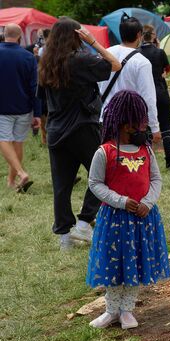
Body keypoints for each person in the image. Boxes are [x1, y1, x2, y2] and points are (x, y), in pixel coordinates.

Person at [87, 90, 170, 329]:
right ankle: (111, 310)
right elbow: (95, 183)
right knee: (115, 264)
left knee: (135, 262)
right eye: (138, 122)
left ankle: (127, 310)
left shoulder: (146, 150)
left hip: (142, 218)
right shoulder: (105, 152)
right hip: (114, 219)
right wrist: (121, 201)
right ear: (125, 125)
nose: (143, 127)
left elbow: (156, 179)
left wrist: (148, 202)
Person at [39, 17, 121, 251]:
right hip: (82, 127)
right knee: (105, 173)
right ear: (77, 35)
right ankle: (85, 223)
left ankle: (65, 236)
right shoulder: (81, 60)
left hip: (56, 130)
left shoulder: (45, 61)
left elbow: (43, 100)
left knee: (61, 185)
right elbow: (115, 64)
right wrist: (94, 42)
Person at [99, 14, 161, 144]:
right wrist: (154, 127)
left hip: (104, 119)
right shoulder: (142, 62)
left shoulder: (106, 53)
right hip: (129, 124)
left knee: (108, 159)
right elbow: (148, 97)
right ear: (139, 35)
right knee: (129, 161)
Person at [0, 24, 41, 193]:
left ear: (3, 35)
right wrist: (37, 113)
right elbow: (34, 87)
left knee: (3, 139)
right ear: (19, 38)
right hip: (24, 107)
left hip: (2, 107)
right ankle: (11, 181)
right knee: (18, 143)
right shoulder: (28, 57)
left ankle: (21, 173)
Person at [139, 25, 170, 169]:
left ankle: (147, 164)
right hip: (160, 92)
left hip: (143, 95)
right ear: (154, 35)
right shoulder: (160, 52)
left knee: (145, 128)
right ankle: (169, 161)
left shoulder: (137, 53)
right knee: (166, 126)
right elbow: (167, 70)